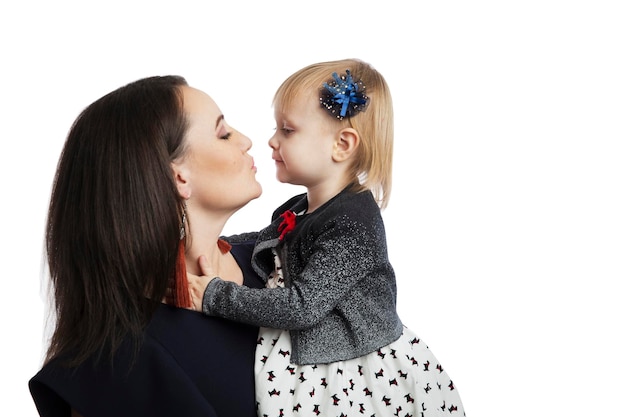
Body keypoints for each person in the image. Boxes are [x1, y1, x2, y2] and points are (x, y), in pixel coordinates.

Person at [189, 59, 466, 416]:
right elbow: (270, 239)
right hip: (315, 355)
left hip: (352, 371)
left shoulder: (354, 225)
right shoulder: (302, 207)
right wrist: (214, 240)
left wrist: (216, 296)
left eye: (287, 130)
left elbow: (301, 306)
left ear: (342, 144)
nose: (272, 141)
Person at [28, 75, 264, 417]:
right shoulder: (117, 365)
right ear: (178, 177)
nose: (246, 141)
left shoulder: (283, 261)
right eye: (223, 133)